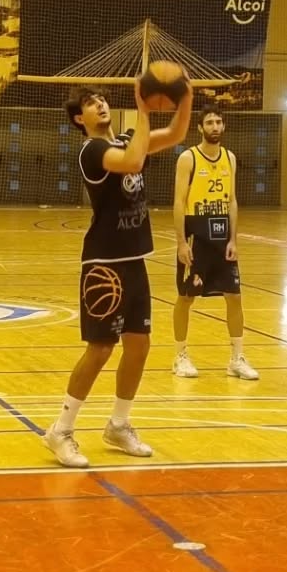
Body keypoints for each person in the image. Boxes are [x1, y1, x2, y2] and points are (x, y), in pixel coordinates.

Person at [44, 78, 193, 469]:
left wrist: (185, 98)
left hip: (134, 260)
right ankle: (60, 430)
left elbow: (176, 134)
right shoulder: (92, 151)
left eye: (102, 100)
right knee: (101, 349)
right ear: (80, 119)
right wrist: (143, 110)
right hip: (103, 265)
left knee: (139, 346)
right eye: (91, 104)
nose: (100, 105)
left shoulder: (128, 139)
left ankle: (119, 425)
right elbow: (133, 162)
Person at [171, 108, 258, 381]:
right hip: (196, 236)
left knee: (234, 296)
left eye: (219, 122)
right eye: (209, 122)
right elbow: (178, 202)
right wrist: (181, 242)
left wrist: (233, 239)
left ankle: (237, 359)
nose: (215, 126)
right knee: (186, 297)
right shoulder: (188, 158)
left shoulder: (229, 158)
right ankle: (180, 356)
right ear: (200, 128)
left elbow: (232, 200)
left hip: (222, 238)